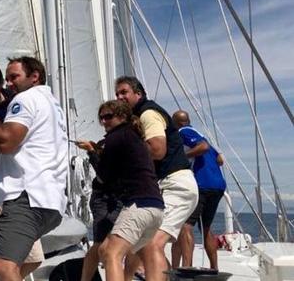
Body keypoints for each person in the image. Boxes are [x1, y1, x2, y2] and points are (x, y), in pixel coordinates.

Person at [0, 56, 67, 281]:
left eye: (14, 77)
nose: (10, 83)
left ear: (34, 76)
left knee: (4, 265)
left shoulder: (22, 100)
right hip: (49, 199)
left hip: (25, 194)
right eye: (8, 78)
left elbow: (6, 143)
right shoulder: (52, 103)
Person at [115, 76, 198, 281]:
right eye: (117, 94)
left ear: (138, 94)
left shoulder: (148, 114)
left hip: (175, 185)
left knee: (151, 242)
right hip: (166, 185)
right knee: (140, 243)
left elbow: (157, 150)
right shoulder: (136, 118)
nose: (119, 97)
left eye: (124, 92)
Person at [88, 100, 164, 281]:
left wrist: (92, 152)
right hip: (156, 207)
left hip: (139, 204)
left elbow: (105, 176)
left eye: (108, 117)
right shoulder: (134, 137)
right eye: (101, 118)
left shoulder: (117, 136)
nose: (104, 121)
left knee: (111, 253)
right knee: (113, 249)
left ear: (122, 116)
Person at [171, 110, 226, 270]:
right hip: (218, 185)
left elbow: (203, 147)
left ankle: (186, 269)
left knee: (185, 226)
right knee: (206, 227)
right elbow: (220, 160)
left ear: (176, 123)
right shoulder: (202, 134)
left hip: (202, 184)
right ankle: (214, 268)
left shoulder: (183, 132)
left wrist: (182, 157)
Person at [74, 138, 123, 281]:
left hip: (118, 199)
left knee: (111, 243)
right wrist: (91, 152)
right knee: (100, 243)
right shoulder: (109, 151)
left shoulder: (124, 148)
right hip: (104, 199)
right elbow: (103, 176)